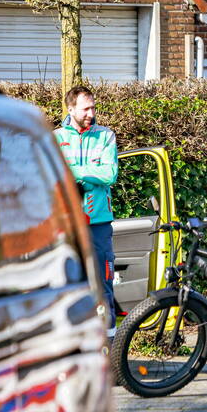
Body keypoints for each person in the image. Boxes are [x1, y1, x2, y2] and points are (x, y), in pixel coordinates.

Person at [54, 85, 119, 338]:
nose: (91, 112)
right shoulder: (56, 138)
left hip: (98, 223)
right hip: (66, 223)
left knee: (103, 286)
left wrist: (76, 174)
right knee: (66, 286)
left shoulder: (105, 136)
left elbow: (109, 174)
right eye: (86, 108)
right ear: (70, 109)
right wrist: (92, 177)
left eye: (93, 107)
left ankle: (109, 352)